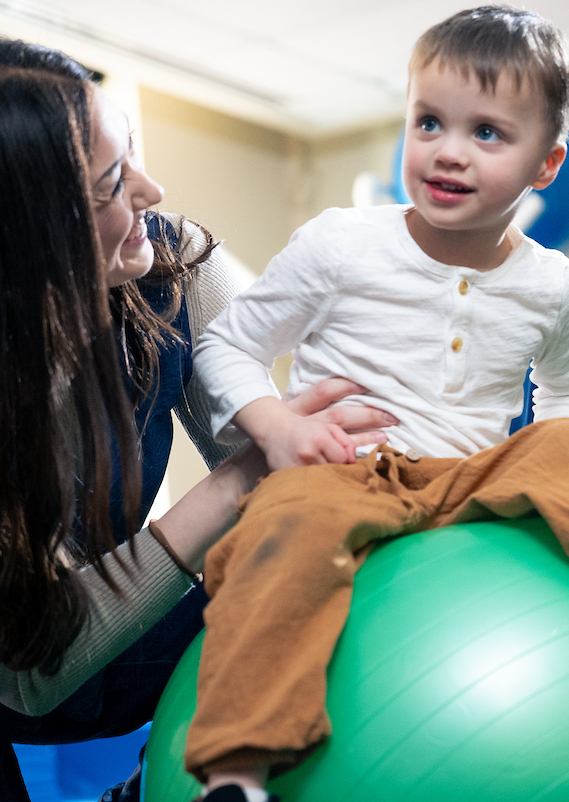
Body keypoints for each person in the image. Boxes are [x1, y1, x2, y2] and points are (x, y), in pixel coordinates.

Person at [186, 7, 569, 802]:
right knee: (283, 531)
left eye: (488, 133)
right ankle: (236, 773)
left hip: (473, 477)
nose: (448, 150)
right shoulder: (341, 243)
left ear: (546, 164)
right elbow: (225, 345)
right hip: (347, 469)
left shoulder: (549, 281)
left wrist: (553, 457)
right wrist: (276, 424)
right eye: (429, 122)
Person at [0, 44, 392, 802]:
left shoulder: (171, 260)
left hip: (128, 633)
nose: (152, 190)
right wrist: (239, 482)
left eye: (134, 156)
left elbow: (277, 480)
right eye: (113, 184)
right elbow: (33, 673)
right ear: (33, 233)